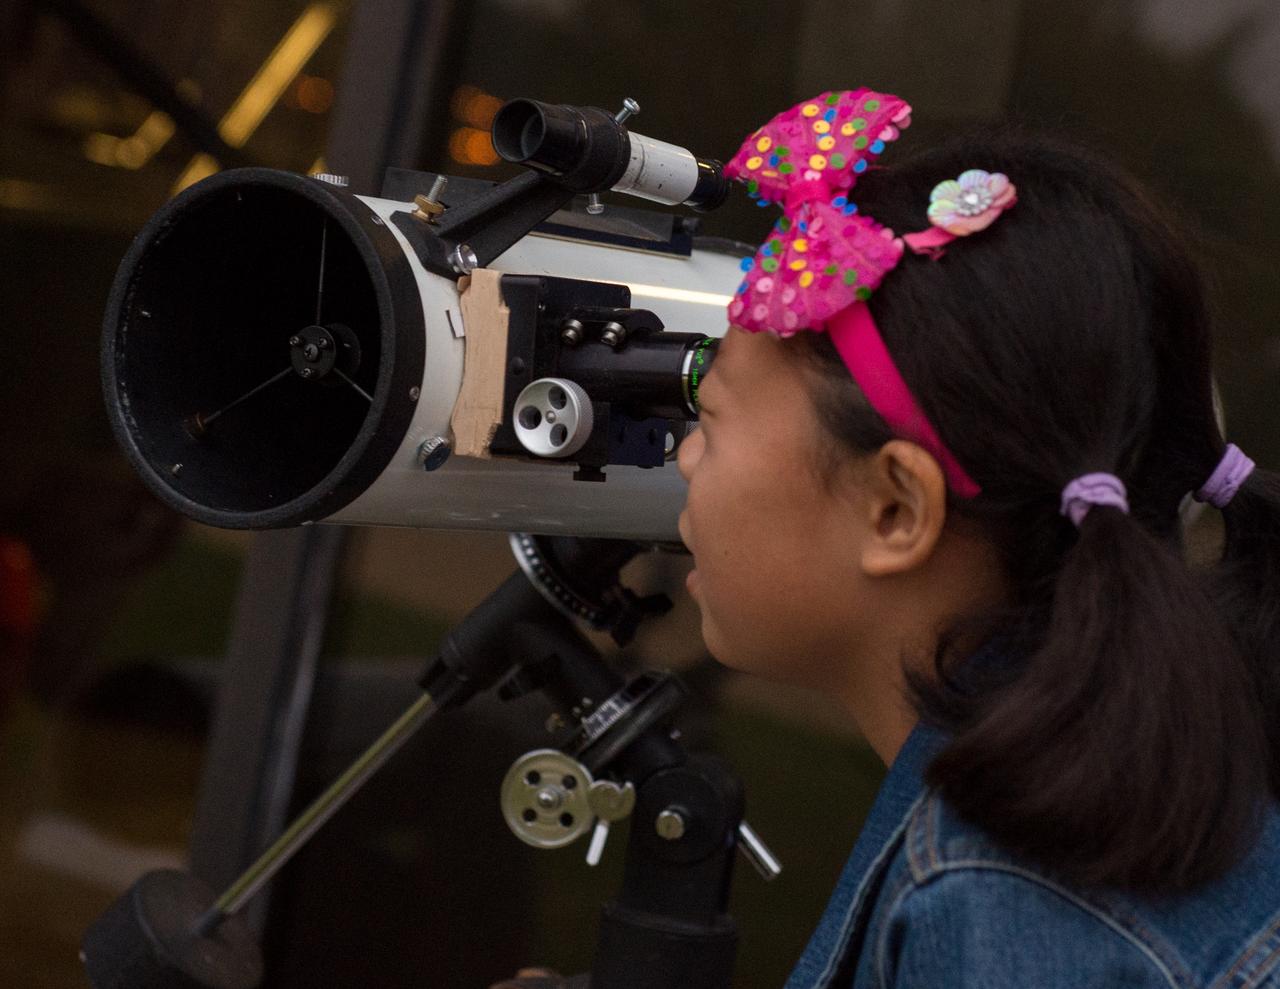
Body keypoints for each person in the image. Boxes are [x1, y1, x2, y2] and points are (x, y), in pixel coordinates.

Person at [673, 87, 1280, 987]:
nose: (685, 456)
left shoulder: (1001, 908)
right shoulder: (1137, 783)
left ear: (896, 510)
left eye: (711, 417)